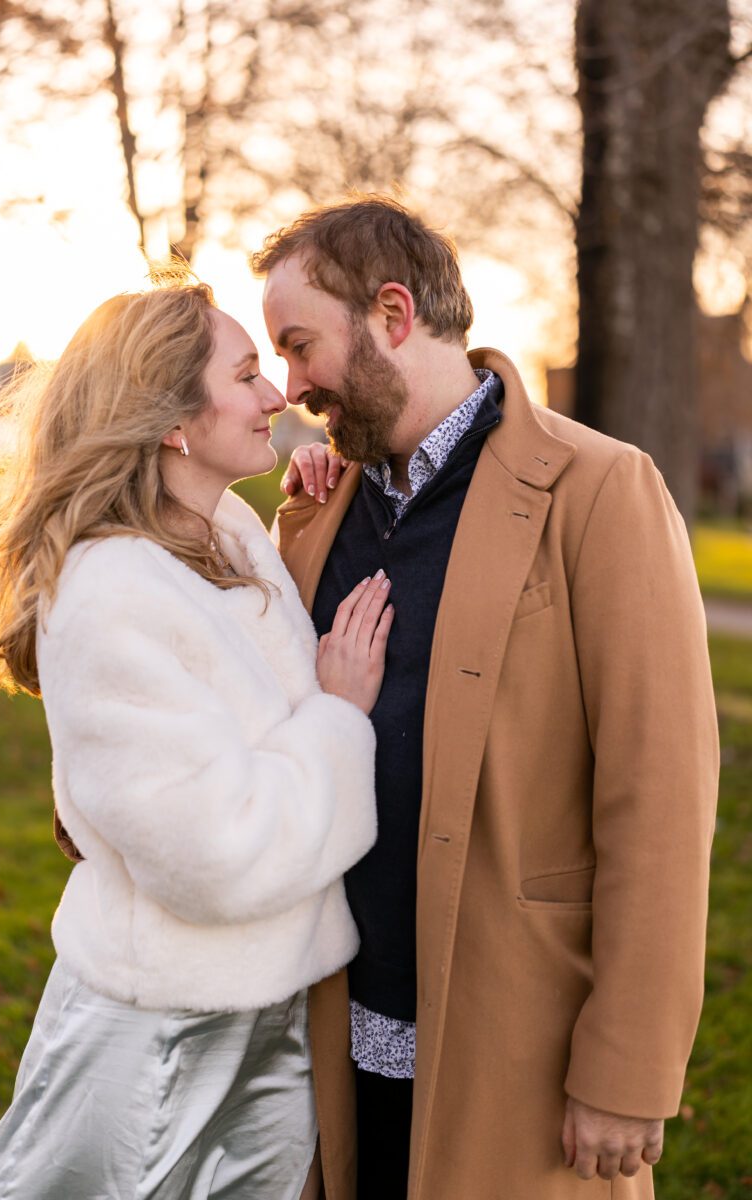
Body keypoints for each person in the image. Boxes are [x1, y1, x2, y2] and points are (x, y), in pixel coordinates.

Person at [250, 196, 720, 1199]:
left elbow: (660, 799)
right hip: (333, 1043)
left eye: (299, 347)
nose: (292, 389)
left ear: (391, 314)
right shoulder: (318, 509)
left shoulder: (602, 489)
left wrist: (629, 1066)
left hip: (519, 1055)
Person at [0, 276, 395, 1199]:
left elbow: (244, 697)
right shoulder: (111, 592)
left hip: (267, 1009)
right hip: (159, 1030)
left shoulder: (223, 533)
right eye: (245, 375)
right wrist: (339, 717)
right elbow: (215, 853)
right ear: (170, 420)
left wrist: (311, 509)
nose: (276, 395)